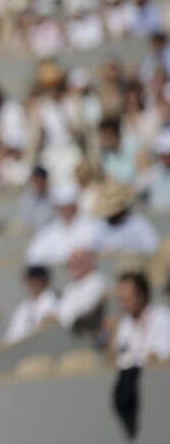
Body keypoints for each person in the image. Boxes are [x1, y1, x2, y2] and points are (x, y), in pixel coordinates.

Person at [108, 273, 170, 440]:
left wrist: (134, 357)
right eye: (122, 298)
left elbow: (160, 354)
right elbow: (117, 358)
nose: (124, 302)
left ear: (142, 294)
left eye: (128, 297)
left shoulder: (162, 317)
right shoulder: (124, 325)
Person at [24, 185, 102, 267]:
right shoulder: (47, 231)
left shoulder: (91, 226)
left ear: (75, 206)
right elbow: (34, 257)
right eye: (62, 207)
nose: (65, 210)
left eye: (68, 206)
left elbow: (89, 251)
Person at [93, 180, 160, 256]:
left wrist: (127, 252)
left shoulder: (138, 223)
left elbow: (152, 247)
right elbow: (95, 248)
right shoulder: (101, 226)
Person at [57, 249, 109, 334]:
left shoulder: (97, 281)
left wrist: (64, 316)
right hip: (69, 332)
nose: (74, 265)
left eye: (78, 261)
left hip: (89, 332)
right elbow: (61, 310)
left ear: (90, 262)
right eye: (71, 263)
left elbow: (85, 309)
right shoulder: (70, 287)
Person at [5, 266, 59, 344]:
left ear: (44, 281)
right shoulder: (22, 307)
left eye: (37, 280)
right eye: (30, 280)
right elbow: (12, 334)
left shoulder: (53, 299)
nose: (33, 284)